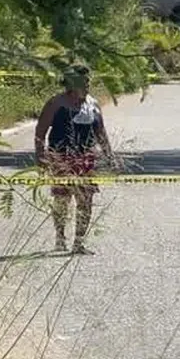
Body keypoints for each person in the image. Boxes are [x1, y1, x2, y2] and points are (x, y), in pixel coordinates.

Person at [33, 65, 115, 255]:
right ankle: (60, 238)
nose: (87, 85)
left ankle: (78, 242)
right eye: (82, 82)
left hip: (86, 159)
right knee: (62, 198)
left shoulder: (93, 104)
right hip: (61, 157)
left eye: (88, 81)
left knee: (86, 199)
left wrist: (109, 155)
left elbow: (100, 132)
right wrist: (40, 156)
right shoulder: (56, 103)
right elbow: (40, 131)